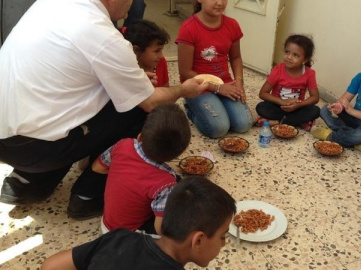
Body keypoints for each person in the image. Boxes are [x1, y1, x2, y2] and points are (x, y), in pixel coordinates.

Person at [0, 0, 208, 219]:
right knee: (141, 111)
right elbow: (149, 101)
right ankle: (88, 195)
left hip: (7, 138)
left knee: (75, 106)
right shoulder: (102, 33)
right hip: (35, 148)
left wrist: (127, 79)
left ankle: (28, 184)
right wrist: (183, 90)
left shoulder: (52, 4)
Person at [40, 176, 236, 270]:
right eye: (222, 236)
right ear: (198, 240)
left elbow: (50, 265)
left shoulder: (120, 237)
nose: (224, 243)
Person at [92, 104, 190, 235]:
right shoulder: (165, 183)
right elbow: (160, 228)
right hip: (129, 236)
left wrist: (127, 176)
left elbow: (96, 168)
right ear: (178, 154)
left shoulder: (123, 145)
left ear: (140, 137)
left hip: (107, 224)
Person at [176, 0, 253, 139]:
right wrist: (217, 88)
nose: (220, 3)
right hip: (197, 86)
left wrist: (239, 82)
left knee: (244, 124)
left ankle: (216, 107)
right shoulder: (188, 28)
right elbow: (185, 72)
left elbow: (236, 57)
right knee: (219, 129)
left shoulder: (232, 24)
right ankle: (190, 109)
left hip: (225, 83)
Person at [255, 34, 320, 132]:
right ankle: (295, 121)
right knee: (261, 107)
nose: (289, 57)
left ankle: (277, 122)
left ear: (305, 60)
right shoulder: (278, 70)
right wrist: (282, 102)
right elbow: (263, 93)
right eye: (287, 52)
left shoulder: (309, 73)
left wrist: (299, 105)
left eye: (295, 55)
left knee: (315, 111)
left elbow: (315, 97)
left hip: (297, 107)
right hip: (278, 106)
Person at [122, 19, 170, 87]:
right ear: (136, 51)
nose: (161, 56)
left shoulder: (161, 62)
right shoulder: (125, 70)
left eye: (161, 50)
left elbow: (166, 89)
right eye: (157, 51)